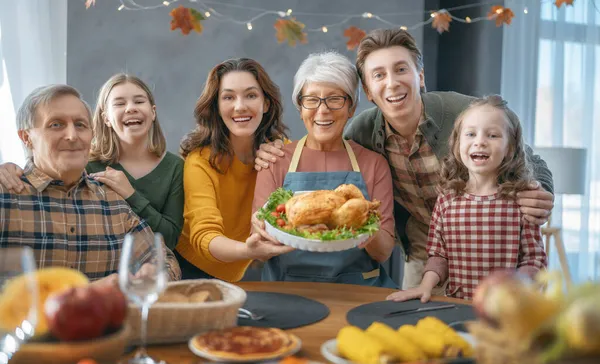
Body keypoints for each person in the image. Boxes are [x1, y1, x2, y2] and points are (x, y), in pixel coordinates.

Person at [254, 28, 554, 290]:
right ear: (369, 92)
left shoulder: (464, 114)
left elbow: (529, 157)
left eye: (401, 69)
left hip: (493, 243)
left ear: (419, 76)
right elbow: (324, 148)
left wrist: (540, 191)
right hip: (428, 251)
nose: (392, 83)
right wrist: (268, 150)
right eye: (379, 75)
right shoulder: (361, 131)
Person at [0, 84, 181, 281]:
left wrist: (154, 276)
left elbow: (165, 259)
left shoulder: (114, 202)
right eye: (56, 124)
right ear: (26, 137)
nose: (72, 136)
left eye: (80, 125)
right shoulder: (6, 197)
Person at [251, 51, 396, 287]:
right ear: (300, 108)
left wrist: (364, 225)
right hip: (288, 288)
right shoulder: (275, 161)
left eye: (335, 98)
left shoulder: (373, 164)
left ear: (351, 107)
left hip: (358, 289)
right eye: (311, 99)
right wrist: (262, 230)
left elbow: (383, 252)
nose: (323, 109)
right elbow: (259, 251)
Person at [386, 95, 547, 301]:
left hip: (508, 309)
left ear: (510, 148)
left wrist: (516, 289)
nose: (479, 142)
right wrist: (425, 286)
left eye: (493, 135)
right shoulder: (446, 200)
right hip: (458, 306)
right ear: (456, 144)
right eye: (470, 134)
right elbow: (438, 256)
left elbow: (534, 260)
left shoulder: (521, 202)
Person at [174, 58, 293, 281]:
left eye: (251, 95)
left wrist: (286, 159)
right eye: (228, 97)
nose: (240, 106)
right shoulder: (200, 161)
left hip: (242, 272)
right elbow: (204, 235)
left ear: (266, 104)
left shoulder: (280, 152)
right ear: (217, 107)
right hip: (191, 270)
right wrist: (249, 251)